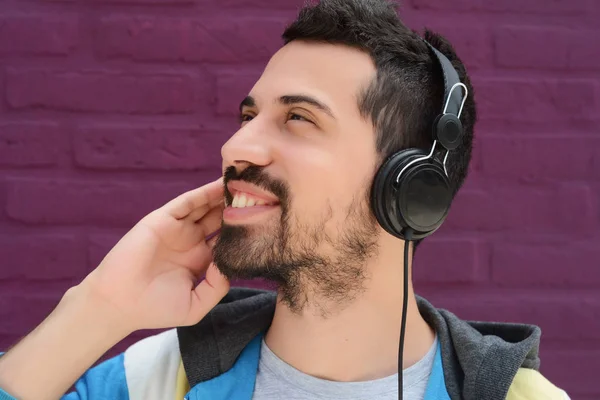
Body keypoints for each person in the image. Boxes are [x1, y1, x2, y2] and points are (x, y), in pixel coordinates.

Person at [0, 1, 570, 399]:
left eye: (298, 118)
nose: (235, 146)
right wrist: (100, 306)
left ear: (410, 186)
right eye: (249, 116)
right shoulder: (152, 381)